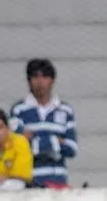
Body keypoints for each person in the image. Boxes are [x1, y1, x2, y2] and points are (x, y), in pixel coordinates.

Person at [9, 59, 77, 189]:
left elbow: (72, 148)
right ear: (29, 80)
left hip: (58, 180)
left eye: (45, 77)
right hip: (29, 181)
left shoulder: (65, 110)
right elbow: (16, 147)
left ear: (52, 80)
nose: (40, 82)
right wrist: (56, 141)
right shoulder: (18, 109)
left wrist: (33, 141)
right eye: (35, 77)